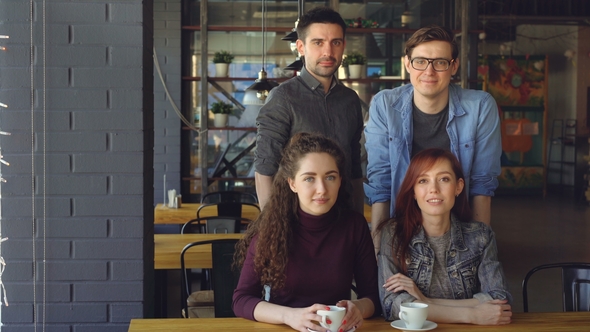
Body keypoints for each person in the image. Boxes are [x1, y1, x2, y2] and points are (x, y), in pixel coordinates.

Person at [364, 25, 502, 239]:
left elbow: (482, 185)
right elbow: (380, 181)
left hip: (459, 227)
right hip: (402, 225)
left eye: (440, 62)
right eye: (420, 62)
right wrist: (379, 248)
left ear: (454, 66)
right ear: (407, 64)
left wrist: (478, 248)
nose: (429, 72)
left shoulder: (481, 107)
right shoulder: (385, 105)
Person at [233, 133, 379, 332]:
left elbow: (372, 297)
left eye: (330, 177)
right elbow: (241, 300)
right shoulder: (271, 227)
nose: (322, 189)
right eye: (309, 178)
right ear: (292, 183)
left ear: (340, 180)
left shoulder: (354, 225)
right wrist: (289, 315)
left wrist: (359, 308)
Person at [376, 148, 512, 325]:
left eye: (444, 179)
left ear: (458, 187)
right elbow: (393, 305)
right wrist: (473, 315)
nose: (434, 189)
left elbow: (499, 299)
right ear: (413, 191)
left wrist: (424, 301)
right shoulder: (394, 233)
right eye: (423, 180)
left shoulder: (480, 236)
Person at [255, 6, 364, 214]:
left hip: (343, 223)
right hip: (295, 223)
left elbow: (354, 170)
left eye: (336, 42)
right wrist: (273, 228)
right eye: (318, 42)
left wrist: (358, 223)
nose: (328, 52)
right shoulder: (283, 97)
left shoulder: (350, 100)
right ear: (301, 47)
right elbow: (264, 169)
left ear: (343, 46)